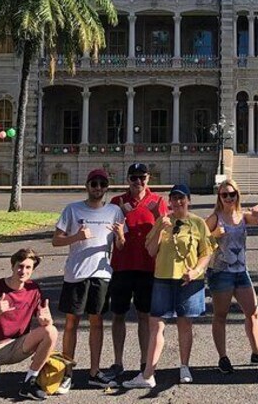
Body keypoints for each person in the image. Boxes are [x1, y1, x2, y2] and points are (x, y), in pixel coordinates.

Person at [123, 184, 214, 390]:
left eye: (182, 198)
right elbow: (151, 250)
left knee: (185, 324)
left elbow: (206, 253)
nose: (178, 202)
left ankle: (184, 367)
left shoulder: (198, 223)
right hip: (163, 277)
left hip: (189, 280)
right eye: (174, 198)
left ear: (188, 200)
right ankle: (148, 374)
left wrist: (195, 272)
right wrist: (159, 230)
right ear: (169, 202)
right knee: (156, 325)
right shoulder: (163, 221)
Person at [52, 168, 125, 393]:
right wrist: (76, 237)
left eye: (102, 184)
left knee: (97, 322)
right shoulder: (72, 210)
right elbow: (56, 240)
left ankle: (94, 371)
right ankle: (67, 373)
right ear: (87, 185)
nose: (98, 188)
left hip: (101, 274)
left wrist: (121, 235)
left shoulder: (114, 211)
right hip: (76, 274)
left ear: (106, 188)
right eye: (94, 183)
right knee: (71, 323)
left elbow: (120, 246)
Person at [205, 179, 258, 374]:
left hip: (241, 271)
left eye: (232, 194)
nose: (229, 198)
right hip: (221, 272)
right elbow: (200, 240)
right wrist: (214, 236)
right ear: (219, 197)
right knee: (220, 315)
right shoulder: (214, 218)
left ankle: (257, 352)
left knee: (253, 312)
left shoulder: (242, 216)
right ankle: (223, 357)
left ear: (238, 195)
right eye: (224, 195)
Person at [0, 248, 57, 401]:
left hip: (18, 345)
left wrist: (47, 320)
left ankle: (29, 382)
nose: (23, 271)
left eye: (28, 267)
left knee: (51, 331)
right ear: (13, 266)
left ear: (32, 270)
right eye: (20, 266)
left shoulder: (33, 289)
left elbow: (44, 319)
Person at [104, 162, 166, 381]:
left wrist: (159, 215)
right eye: (134, 178)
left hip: (148, 267)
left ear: (149, 178)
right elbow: (109, 235)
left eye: (142, 178)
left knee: (144, 315)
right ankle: (118, 361)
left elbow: (166, 233)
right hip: (122, 265)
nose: (138, 182)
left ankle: (144, 361)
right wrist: (120, 214)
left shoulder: (157, 201)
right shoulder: (116, 202)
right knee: (118, 314)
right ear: (128, 179)